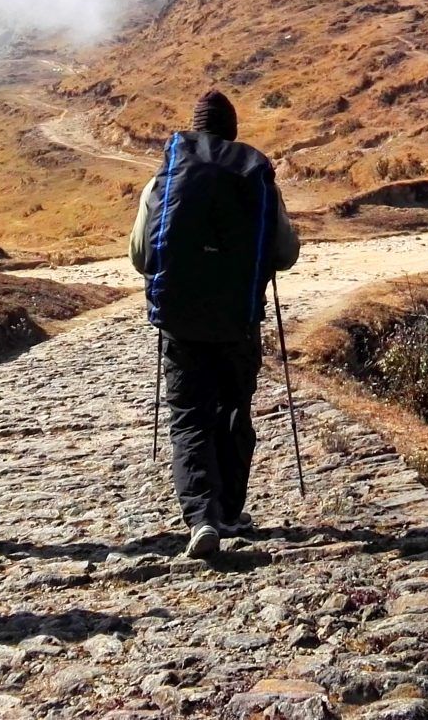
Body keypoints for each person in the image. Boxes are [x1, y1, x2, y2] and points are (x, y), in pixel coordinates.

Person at [130, 90, 300, 559]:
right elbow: (285, 255)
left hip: (180, 323)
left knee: (188, 418)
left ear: (194, 126)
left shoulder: (163, 182)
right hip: (238, 320)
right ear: (233, 130)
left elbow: (142, 256)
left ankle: (201, 518)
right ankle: (227, 511)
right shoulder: (257, 178)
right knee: (232, 411)